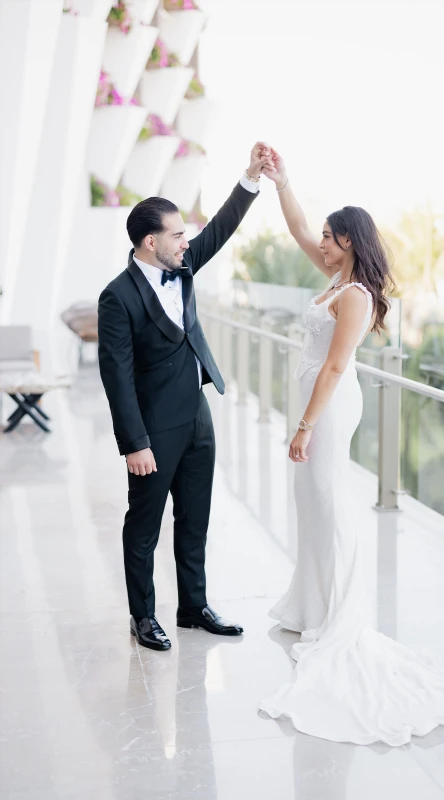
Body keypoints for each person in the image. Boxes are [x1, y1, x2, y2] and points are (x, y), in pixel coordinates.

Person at [258, 147, 444, 746]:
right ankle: (312, 604)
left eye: (331, 238)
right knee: (310, 503)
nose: (320, 243)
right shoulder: (332, 276)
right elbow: (300, 226)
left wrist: (304, 426)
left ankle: (341, 619)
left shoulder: (354, 294)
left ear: (350, 242)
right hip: (314, 406)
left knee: (329, 504)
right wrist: (282, 182)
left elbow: (333, 368)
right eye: (324, 236)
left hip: (328, 410)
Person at [98, 142, 274, 651]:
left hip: (197, 416)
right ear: (151, 242)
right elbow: (117, 376)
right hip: (153, 429)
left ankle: (193, 606)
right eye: (177, 235)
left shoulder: (183, 264)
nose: (186, 242)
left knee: (195, 518)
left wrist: (250, 177)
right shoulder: (118, 296)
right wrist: (134, 443)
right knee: (145, 526)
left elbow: (219, 228)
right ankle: (143, 615)